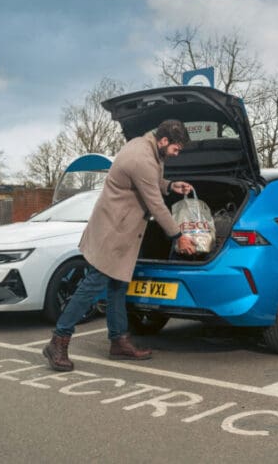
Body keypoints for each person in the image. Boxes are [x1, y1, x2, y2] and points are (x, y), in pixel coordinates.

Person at [43, 119, 196, 372]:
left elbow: (150, 181)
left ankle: (118, 341)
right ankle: (58, 341)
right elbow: (156, 204)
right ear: (164, 140)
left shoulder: (145, 146)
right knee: (92, 285)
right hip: (113, 233)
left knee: (117, 287)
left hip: (120, 231)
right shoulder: (141, 158)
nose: (176, 155)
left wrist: (170, 185)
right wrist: (177, 236)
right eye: (176, 149)